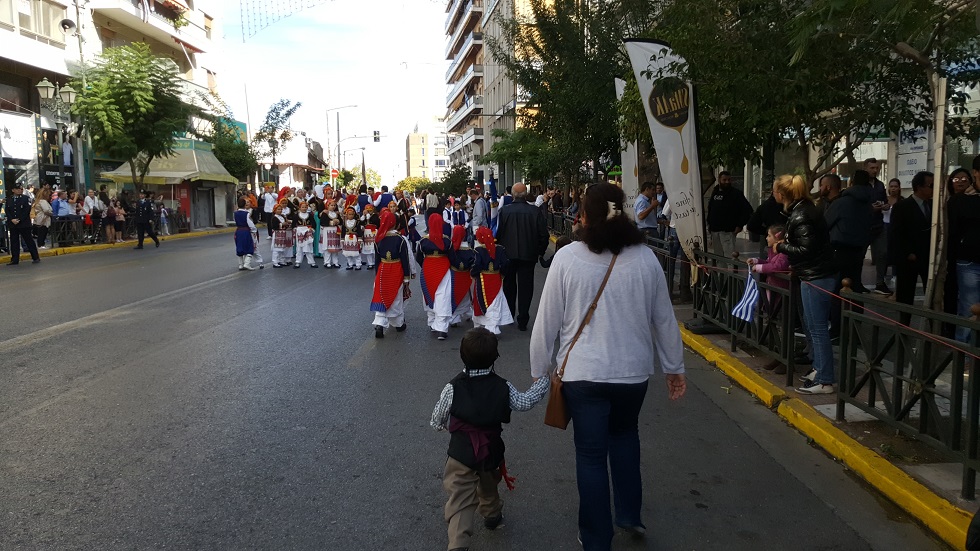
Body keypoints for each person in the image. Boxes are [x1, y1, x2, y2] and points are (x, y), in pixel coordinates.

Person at [529, 183, 685, 550]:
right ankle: (629, 515)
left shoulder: (567, 258)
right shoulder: (646, 258)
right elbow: (664, 319)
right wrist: (674, 367)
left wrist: (539, 369)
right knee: (626, 437)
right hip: (633, 374)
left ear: (585, 216)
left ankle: (596, 537)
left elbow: (547, 320)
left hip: (583, 375)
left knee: (590, 455)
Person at [430, 327, 550, 551]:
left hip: (460, 453)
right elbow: (524, 402)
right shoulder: (503, 386)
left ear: (462, 355)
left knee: (460, 496)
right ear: (495, 357)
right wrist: (543, 381)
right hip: (490, 450)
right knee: (488, 483)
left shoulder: (452, 387)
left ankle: (458, 543)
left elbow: (437, 418)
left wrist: (442, 426)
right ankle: (492, 514)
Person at [772, 175, 838, 395]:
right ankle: (819, 369)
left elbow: (806, 249)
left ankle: (825, 379)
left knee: (818, 328)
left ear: (782, 194)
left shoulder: (802, 214)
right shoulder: (802, 210)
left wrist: (780, 247)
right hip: (812, 273)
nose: (773, 194)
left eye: (775, 190)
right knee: (812, 327)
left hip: (816, 275)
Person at [494, 183, 549, 331]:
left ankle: (509, 314)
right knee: (526, 287)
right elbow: (544, 235)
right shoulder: (535, 211)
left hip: (508, 254)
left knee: (509, 286)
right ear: (526, 194)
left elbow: (498, 234)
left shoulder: (504, 211)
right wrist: (539, 251)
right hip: (528, 254)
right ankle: (523, 319)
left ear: (512, 194)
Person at [888, 171, 933, 315]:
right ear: (919, 187)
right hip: (909, 259)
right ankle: (903, 325)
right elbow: (896, 234)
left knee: (932, 297)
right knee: (905, 297)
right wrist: (907, 253)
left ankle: (933, 325)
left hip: (929, 258)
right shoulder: (902, 206)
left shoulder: (933, 205)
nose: (933, 189)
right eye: (931, 185)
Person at [748, 225, 791, 372]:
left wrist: (760, 268)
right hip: (773, 294)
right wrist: (757, 261)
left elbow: (777, 266)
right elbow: (769, 263)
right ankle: (778, 356)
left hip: (781, 295)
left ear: (777, 237)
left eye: (769, 235)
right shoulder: (774, 251)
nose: (766, 238)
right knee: (775, 325)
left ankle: (785, 359)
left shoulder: (784, 252)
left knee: (782, 327)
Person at [823, 172, 873, 293]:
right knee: (855, 286)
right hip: (859, 249)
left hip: (840, 249)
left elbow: (824, 224)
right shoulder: (868, 203)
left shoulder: (840, 202)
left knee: (837, 288)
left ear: (851, 183)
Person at [946, 166, 979, 343]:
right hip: (965, 259)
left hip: (967, 257)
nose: (960, 182)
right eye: (956, 179)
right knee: (968, 306)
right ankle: (964, 350)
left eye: (964, 179)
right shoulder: (955, 201)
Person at [371, 209, 412, 338]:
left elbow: (377, 259)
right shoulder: (400, 239)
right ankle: (398, 323)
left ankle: (380, 324)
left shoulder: (378, 239)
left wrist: (377, 274)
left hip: (383, 269)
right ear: (394, 223)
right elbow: (405, 259)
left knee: (381, 295)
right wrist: (407, 276)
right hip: (396, 269)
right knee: (395, 296)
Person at [471, 226, 513, 335]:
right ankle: (493, 327)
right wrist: (502, 274)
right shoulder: (500, 249)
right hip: (496, 278)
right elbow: (505, 263)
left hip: (482, 279)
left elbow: (476, 265)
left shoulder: (478, 250)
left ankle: (481, 325)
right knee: (495, 303)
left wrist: (473, 274)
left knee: (480, 301)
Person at [421, 213, 456, 340]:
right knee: (443, 297)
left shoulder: (424, 241)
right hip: (443, 270)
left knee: (429, 295)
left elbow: (419, 257)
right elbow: (453, 258)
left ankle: (432, 322)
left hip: (428, 270)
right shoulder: (446, 241)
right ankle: (442, 328)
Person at [706, 171, 753, 258]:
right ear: (719, 180)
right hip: (714, 231)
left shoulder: (736, 194)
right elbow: (710, 209)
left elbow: (747, 210)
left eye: (729, 180)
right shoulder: (715, 192)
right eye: (724, 180)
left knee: (729, 256)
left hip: (728, 231)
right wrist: (709, 225)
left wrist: (740, 225)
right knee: (718, 257)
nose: (727, 182)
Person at [5, 182, 41, 265]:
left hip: (23, 223)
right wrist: (12, 219)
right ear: (13, 190)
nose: (19, 190)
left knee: (29, 240)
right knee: (14, 242)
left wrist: (19, 219)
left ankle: (35, 257)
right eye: (17, 189)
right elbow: (7, 210)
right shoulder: (9, 199)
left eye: (21, 189)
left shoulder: (26, 198)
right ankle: (14, 259)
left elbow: (26, 210)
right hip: (13, 224)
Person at [449, 225, 476, 328]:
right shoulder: (470, 251)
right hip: (466, 277)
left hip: (454, 276)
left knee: (454, 297)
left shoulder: (451, 249)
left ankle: (454, 318)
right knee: (466, 297)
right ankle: (468, 313)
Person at [233, 197, 257, 271]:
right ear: (244, 205)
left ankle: (240, 264)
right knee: (249, 246)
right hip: (245, 231)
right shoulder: (246, 214)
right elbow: (250, 223)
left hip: (238, 231)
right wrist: (254, 230)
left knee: (240, 246)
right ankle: (247, 263)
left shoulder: (235, 213)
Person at [320, 201, 343, 268]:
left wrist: (338, 221)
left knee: (335, 247)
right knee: (328, 247)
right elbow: (322, 222)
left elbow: (341, 221)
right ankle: (327, 262)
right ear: (327, 206)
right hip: (327, 231)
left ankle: (335, 262)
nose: (333, 207)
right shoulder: (325, 213)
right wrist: (331, 222)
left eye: (334, 205)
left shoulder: (336, 214)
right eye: (331, 205)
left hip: (335, 232)